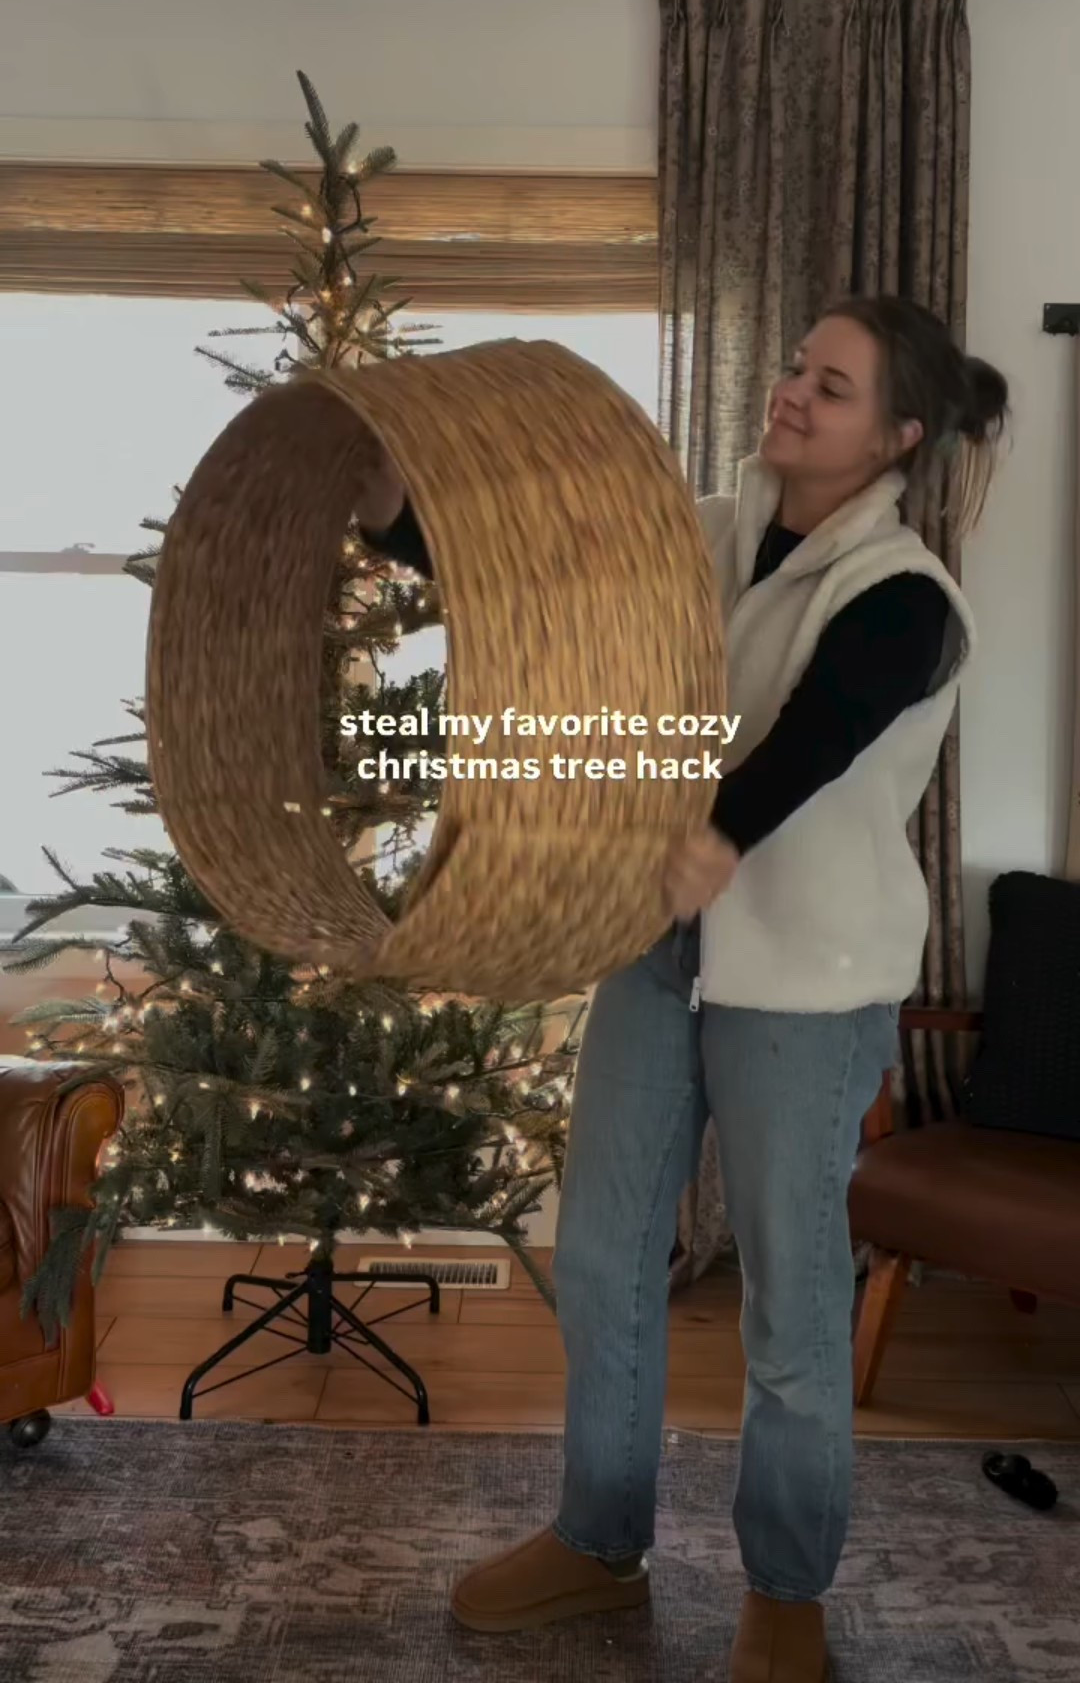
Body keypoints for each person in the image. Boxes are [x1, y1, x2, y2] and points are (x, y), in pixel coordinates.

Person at [352, 294, 1010, 1683]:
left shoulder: (906, 597)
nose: (790, 394)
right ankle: (598, 1540)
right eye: (792, 369)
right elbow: (538, 576)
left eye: (829, 388)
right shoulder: (702, 530)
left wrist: (714, 834)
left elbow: (816, 737)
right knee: (600, 1264)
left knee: (788, 1302)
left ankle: (787, 1591)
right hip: (659, 955)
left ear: (895, 435)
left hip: (807, 989)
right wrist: (392, 508)